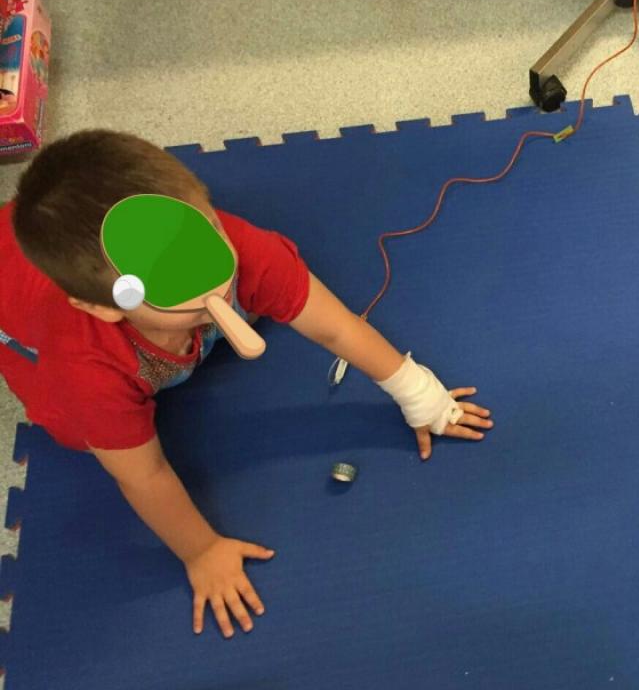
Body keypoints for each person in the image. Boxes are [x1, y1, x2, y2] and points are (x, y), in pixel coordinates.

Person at [0, 130, 494, 638]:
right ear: (104, 306)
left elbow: (337, 328)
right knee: (77, 431)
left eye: (207, 233)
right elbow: (144, 476)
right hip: (35, 332)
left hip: (143, 327)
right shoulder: (84, 369)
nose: (217, 281)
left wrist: (418, 393)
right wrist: (201, 550)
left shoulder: (239, 251)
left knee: (256, 284)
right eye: (176, 284)